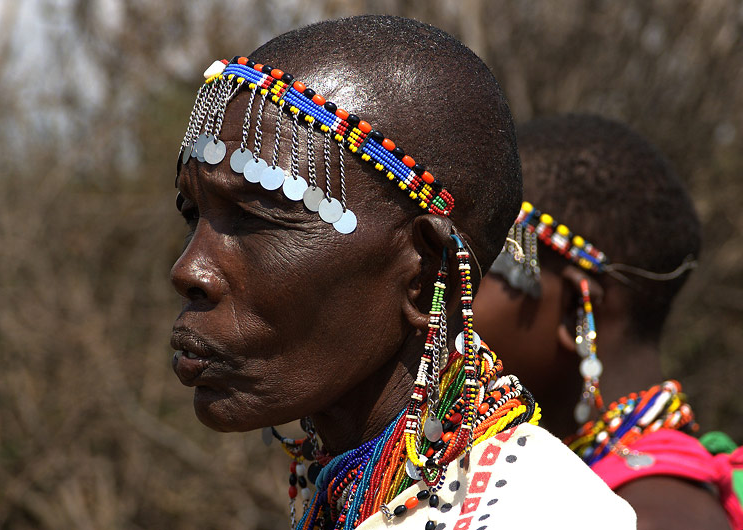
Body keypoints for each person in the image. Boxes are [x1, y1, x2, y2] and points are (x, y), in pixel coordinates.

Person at [168, 17, 635, 529]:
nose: (189, 269)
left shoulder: (540, 515)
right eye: (193, 215)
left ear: (424, 274)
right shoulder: (344, 496)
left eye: (255, 218)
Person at [476, 113, 743, 530]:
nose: (448, 295)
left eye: (480, 267)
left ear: (573, 307)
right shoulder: (583, 488)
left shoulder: (652, 516)